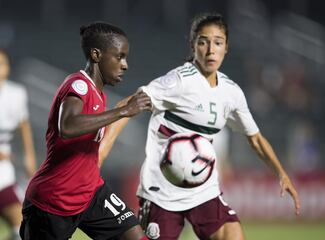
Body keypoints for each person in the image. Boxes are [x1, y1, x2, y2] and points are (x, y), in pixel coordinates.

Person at [102, 13, 301, 240]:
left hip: (203, 191)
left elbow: (255, 138)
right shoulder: (179, 81)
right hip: (162, 194)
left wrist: (281, 173)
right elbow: (126, 105)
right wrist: (102, 151)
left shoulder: (231, 92)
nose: (210, 50)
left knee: (233, 235)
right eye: (203, 42)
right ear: (193, 45)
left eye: (218, 42)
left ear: (226, 47)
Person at [20, 22, 152, 240]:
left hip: (91, 193)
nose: (125, 65)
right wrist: (123, 111)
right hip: (53, 202)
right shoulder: (78, 85)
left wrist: (123, 110)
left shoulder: (99, 95)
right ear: (96, 54)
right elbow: (68, 126)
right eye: (119, 57)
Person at [0, 49, 37, 240]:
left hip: (4, 170)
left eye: (2, 64)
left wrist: (29, 156)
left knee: (21, 227)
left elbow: (24, 124)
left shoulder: (16, 93)